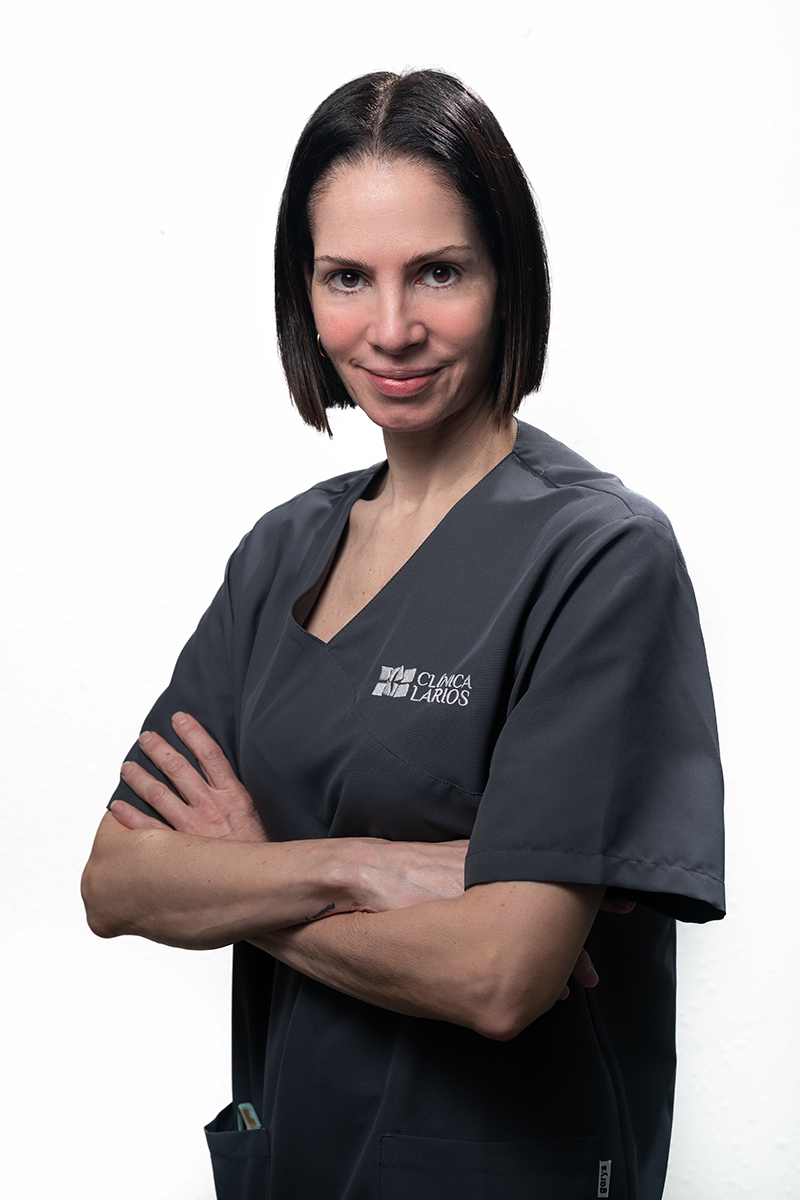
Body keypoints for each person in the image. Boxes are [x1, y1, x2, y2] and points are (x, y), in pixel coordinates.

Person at [81, 69, 724, 1200]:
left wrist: (243, 883)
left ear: (507, 278)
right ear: (303, 292)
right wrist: (361, 868)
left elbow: (500, 975)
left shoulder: (599, 558)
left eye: (438, 271)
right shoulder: (280, 553)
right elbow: (119, 881)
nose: (391, 329)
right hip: (297, 1159)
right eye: (346, 277)